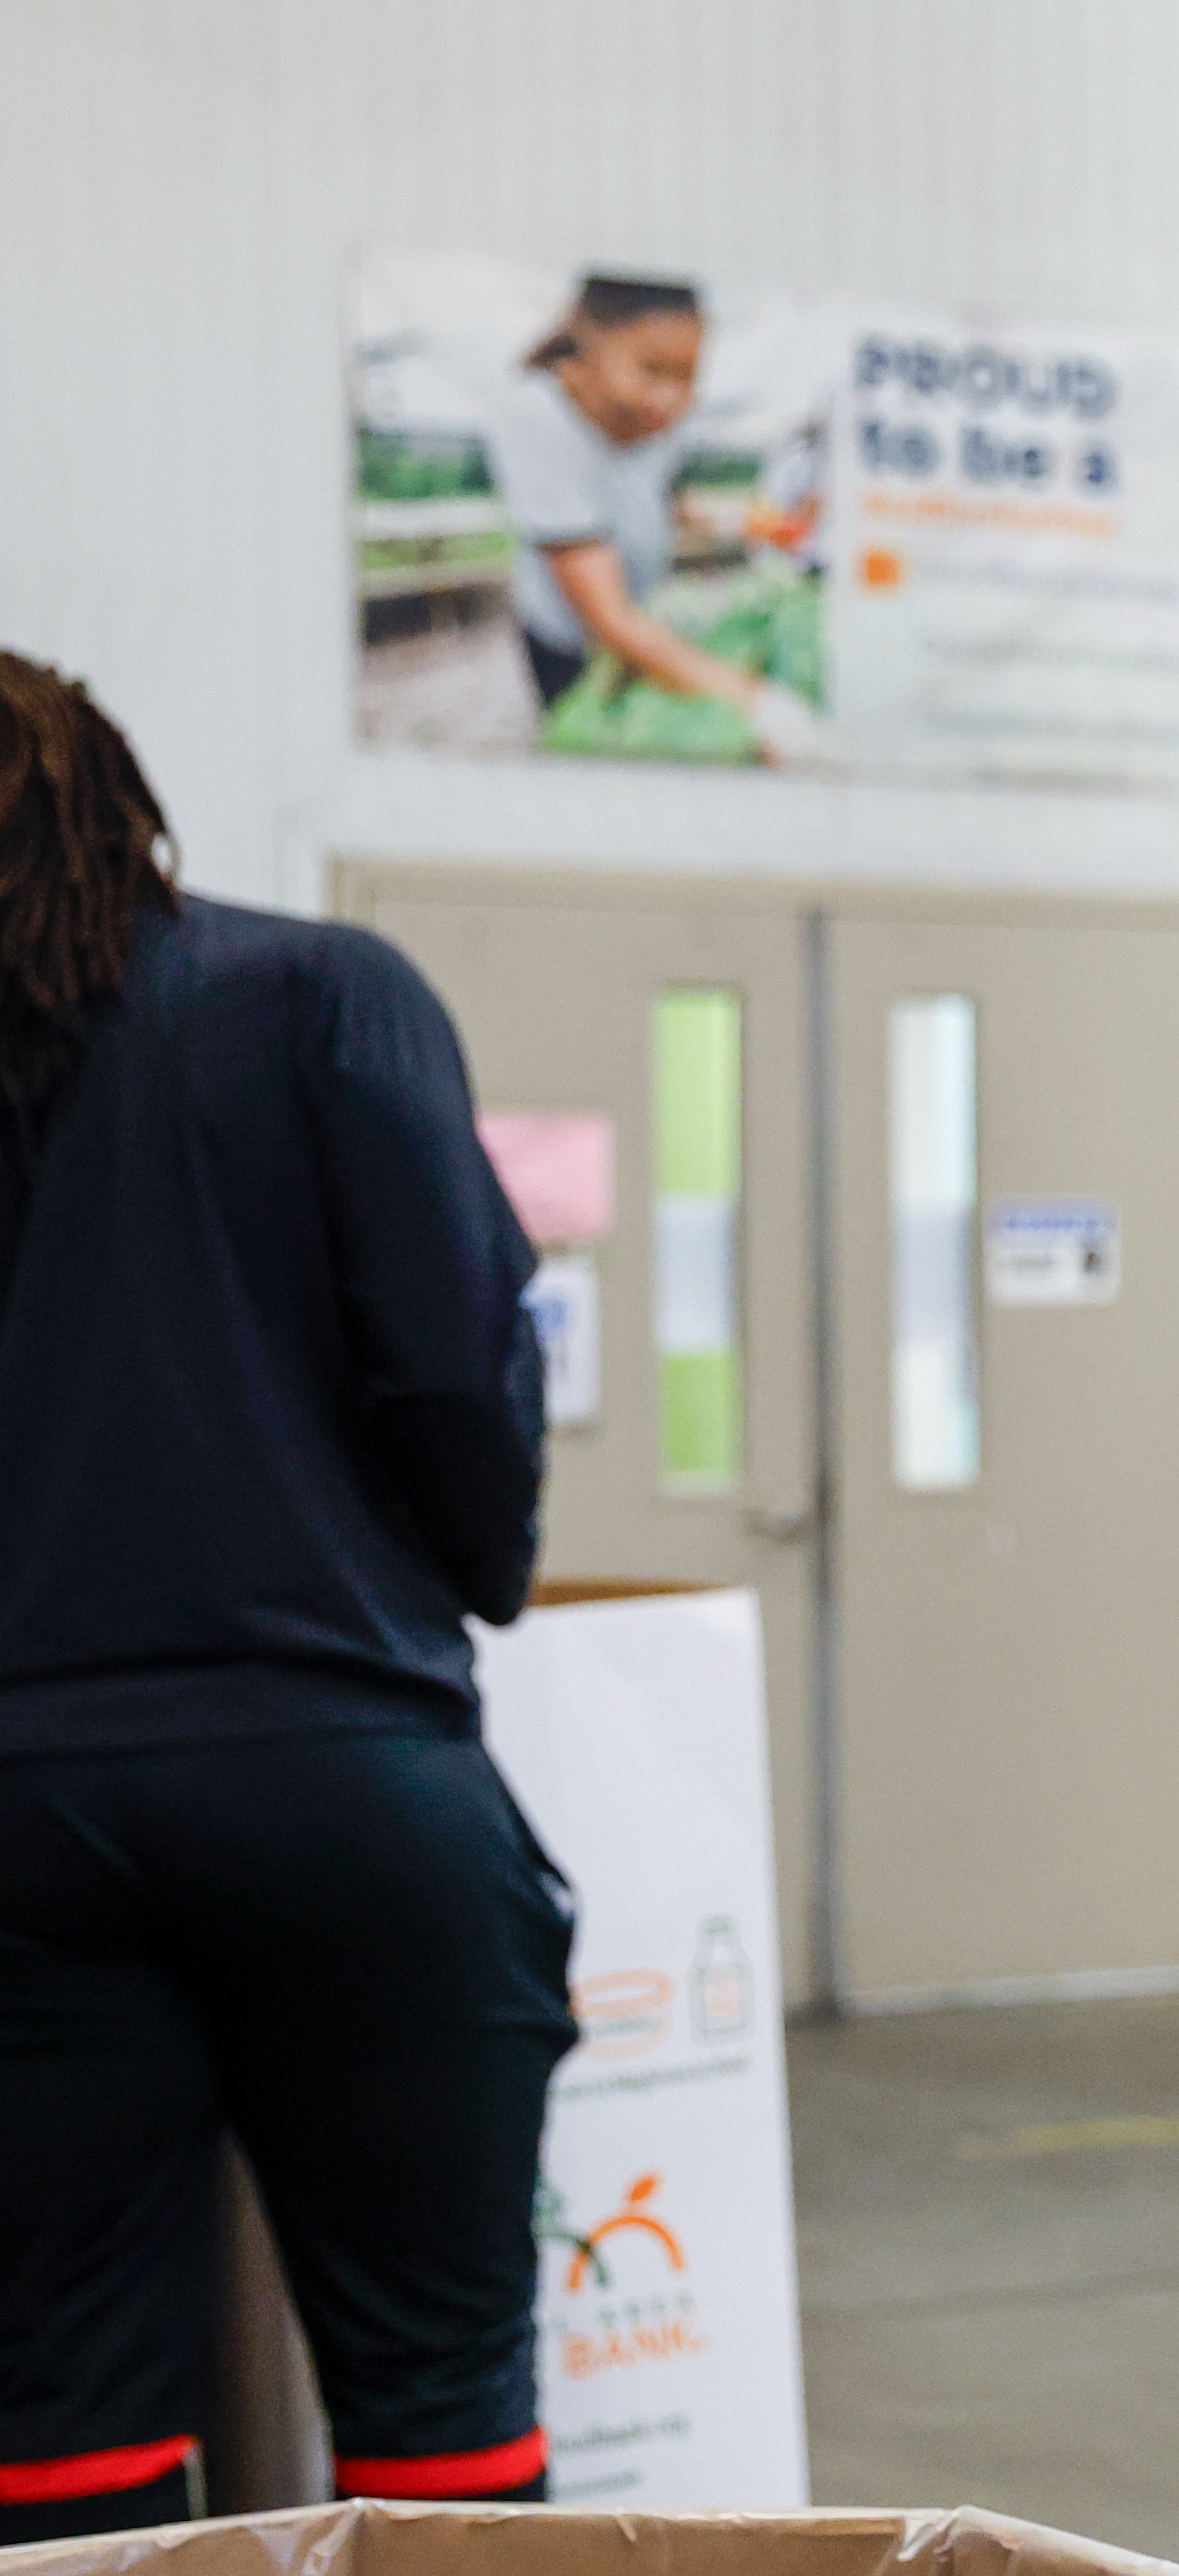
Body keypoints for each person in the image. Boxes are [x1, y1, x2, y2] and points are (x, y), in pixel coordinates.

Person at [0, 656, 569, 2540]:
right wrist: (467, 1576)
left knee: (54, 2395)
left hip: (19, 1803)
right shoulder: (319, 997)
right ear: (117, 802)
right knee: (436, 2379)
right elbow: (452, 1365)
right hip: (339, 1775)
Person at [487, 273, 817, 759]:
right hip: (570, 640)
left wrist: (728, 518)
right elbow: (609, 618)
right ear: (590, 343)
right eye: (652, 370)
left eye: (688, 376)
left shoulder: (657, 419)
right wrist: (758, 702)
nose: (672, 399)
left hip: (641, 616)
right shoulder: (540, 419)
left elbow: (651, 495)